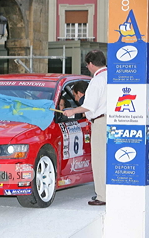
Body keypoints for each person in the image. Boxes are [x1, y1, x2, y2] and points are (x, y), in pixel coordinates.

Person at [63, 50, 107, 206]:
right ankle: (107, 192)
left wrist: (71, 111)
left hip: (100, 122)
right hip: (110, 121)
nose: (88, 68)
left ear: (91, 64)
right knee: (107, 159)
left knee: (100, 160)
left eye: (87, 65)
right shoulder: (110, 77)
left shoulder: (97, 80)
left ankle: (102, 196)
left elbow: (88, 106)